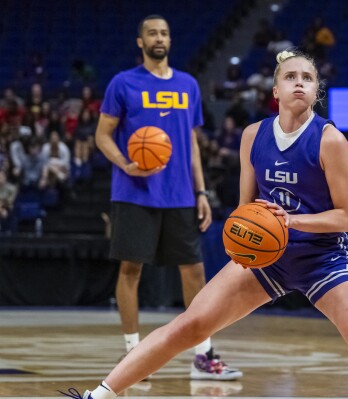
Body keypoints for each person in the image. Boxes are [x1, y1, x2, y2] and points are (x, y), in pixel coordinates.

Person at [61, 50, 348, 399]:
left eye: (308, 77)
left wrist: (291, 221)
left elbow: (347, 217)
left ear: (316, 91)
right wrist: (241, 234)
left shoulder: (331, 140)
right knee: (190, 324)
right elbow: (245, 206)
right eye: (292, 76)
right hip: (267, 256)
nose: (300, 82)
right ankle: (99, 395)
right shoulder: (253, 135)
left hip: (322, 257)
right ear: (276, 89)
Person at [93, 15, 241, 380]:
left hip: (179, 195)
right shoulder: (122, 83)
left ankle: (203, 357)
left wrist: (201, 191)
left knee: (194, 271)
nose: (159, 38)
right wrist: (125, 165)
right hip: (134, 192)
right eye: (151, 33)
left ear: (169, 41)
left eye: (164, 33)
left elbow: (191, 144)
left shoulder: (188, 85)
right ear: (140, 42)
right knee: (130, 270)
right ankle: (132, 357)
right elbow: (102, 135)